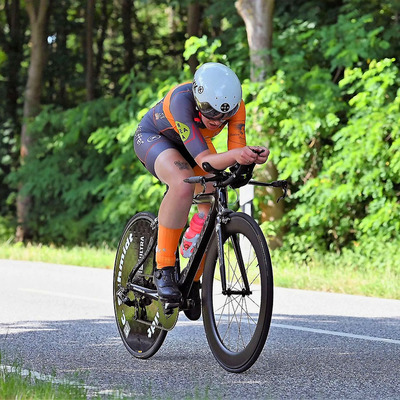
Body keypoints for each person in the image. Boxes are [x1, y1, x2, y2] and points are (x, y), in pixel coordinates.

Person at [133, 62, 269, 319]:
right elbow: (206, 159)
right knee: (183, 183)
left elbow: (234, 151)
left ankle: (193, 278)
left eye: (223, 117)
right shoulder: (181, 102)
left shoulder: (236, 107)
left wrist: (249, 157)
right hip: (156, 138)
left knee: (214, 194)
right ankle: (164, 267)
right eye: (211, 113)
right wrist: (237, 156)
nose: (217, 120)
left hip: (195, 143)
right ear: (198, 98)